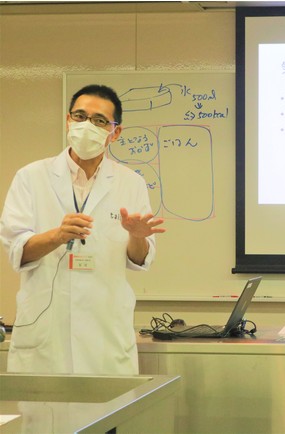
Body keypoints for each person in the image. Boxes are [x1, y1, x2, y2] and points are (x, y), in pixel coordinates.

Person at [0, 84, 165, 375]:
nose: (87, 125)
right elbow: (16, 251)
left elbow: (139, 260)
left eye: (99, 120)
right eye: (80, 116)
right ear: (68, 120)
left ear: (115, 132)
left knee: (106, 418)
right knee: (42, 418)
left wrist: (137, 237)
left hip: (104, 336)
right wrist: (57, 236)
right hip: (46, 336)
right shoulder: (31, 177)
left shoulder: (131, 183)